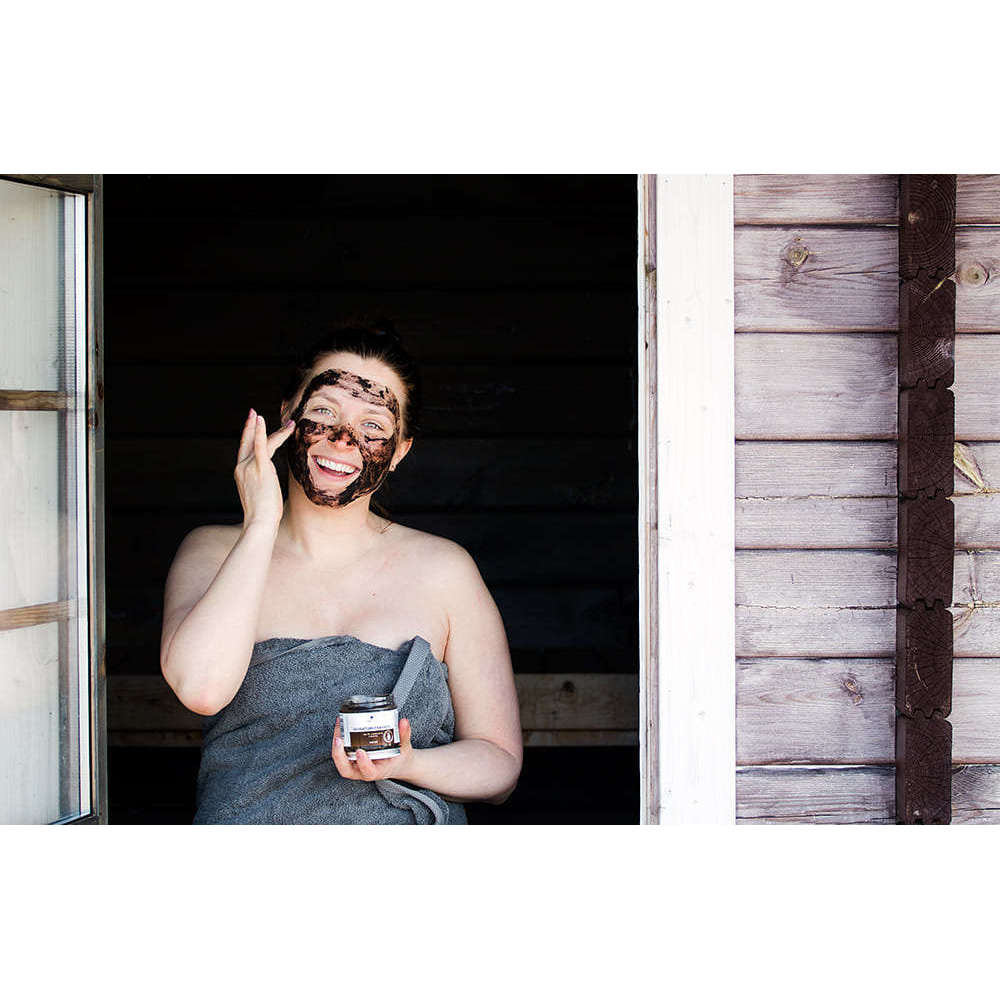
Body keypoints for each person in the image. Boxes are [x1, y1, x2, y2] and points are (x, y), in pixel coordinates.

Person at [160, 323, 523, 823]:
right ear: (288, 415)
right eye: (324, 411)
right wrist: (261, 524)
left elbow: (499, 765)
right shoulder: (213, 551)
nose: (342, 438)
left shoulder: (445, 570)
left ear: (399, 451)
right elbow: (200, 689)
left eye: (373, 426)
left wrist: (409, 762)